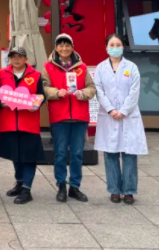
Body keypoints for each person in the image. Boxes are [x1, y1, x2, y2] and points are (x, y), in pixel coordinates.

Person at [93, 33, 148, 204]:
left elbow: (134, 91)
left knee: (129, 153)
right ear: (106, 47)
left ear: (123, 47)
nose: (115, 48)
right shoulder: (101, 68)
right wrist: (110, 109)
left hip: (128, 116)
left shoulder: (131, 67)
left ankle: (129, 191)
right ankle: (114, 190)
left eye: (118, 45)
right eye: (112, 45)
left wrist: (123, 111)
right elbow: (98, 91)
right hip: (108, 116)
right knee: (110, 154)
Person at [43, 33, 96, 203]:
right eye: (61, 45)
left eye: (67, 45)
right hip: (60, 117)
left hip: (80, 117)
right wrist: (56, 92)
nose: (64, 48)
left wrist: (83, 93)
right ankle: (61, 185)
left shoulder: (82, 67)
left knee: (77, 154)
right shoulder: (48, 67)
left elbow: (92, 87)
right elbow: (43, 87)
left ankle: (74, 186)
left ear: (72, 47)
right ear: (56, 48)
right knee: (59, 153)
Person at [0, 47, 46, 205]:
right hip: (9, 122)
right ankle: (19, 182)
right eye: (13, 57)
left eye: (19, 56)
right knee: (15, 155)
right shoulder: (2, 74)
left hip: (28, 123)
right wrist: (0, 103)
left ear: (26, 59)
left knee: (29, 157)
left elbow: (41, 95)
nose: (16, 59)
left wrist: (36, 104)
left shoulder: (35, 75)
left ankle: (26, 189)